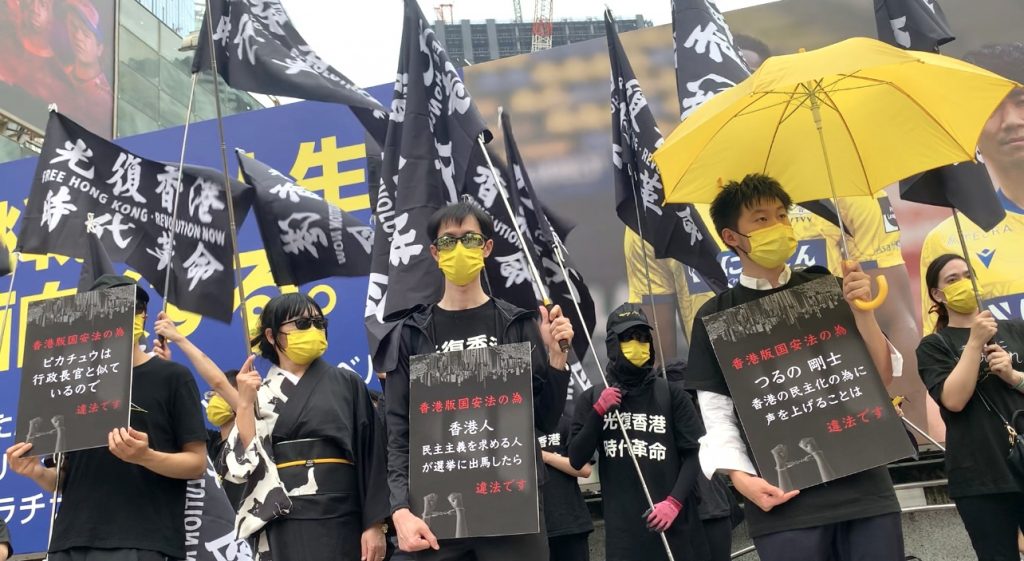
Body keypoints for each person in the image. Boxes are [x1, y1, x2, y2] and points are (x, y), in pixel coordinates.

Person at [686, 174, 905, 561]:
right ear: (731, 236)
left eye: (783, 216)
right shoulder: (715, 316)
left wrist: (862, 313)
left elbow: (882, 378)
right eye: (762, 219)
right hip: (783, 499)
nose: (780, 227)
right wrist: (741, 480)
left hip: (865, 489)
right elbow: (716, 414)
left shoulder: (827, 288)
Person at [385, 201, 573, 560]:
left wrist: (556, 360)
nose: (459, 250)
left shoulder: (517, 325)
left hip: (511, 509)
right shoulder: (412, 334)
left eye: (469, 239)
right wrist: (399, 509)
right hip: (434, 509)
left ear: (486, 248)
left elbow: (544, 422)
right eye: (448, 241)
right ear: (434, 253)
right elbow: (398, 429)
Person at [5, 274, 208, 561]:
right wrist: (35, 471)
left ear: (142, 316)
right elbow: (62, 478)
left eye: (127, 309)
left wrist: (145, 456)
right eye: (103, 310)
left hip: (141, 538)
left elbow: (196, 464)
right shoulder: (71, 384)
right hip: (70, 540)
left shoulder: (171, 377)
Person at [174, 293, 389, 561]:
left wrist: (374, 524)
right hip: (282, 515)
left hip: (342, 515)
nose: (313, 329)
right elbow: (246, 461)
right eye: (301, 324)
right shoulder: (259, 391)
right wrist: (244, 404)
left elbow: (372, 454)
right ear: (272, 335)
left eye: (319, 323)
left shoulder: (348, 382)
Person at [569, 304, 708, 561]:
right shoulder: (592, 398)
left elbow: (694, 454)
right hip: (624, 537)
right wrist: (598, 413)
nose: (638, 345)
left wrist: (673, 503)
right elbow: (577, 459)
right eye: (629, 338)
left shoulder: (671, 394)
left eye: (644, 338)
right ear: (613, 344)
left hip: (674, 528)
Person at [916, 253, 1024, 561]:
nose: (963, 283)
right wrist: (975, 343)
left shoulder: (1017, 330)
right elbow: (953, 399)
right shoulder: (934, 346)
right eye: (952, 280)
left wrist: (1014, 376)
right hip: (980, 476)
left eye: (967, 275)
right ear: (938, 294)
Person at [919, 43, 1024, 334]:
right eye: (991, 108)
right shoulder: (949, 241)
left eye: (1022, 102)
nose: (1012, 121)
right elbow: (945, 366)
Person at [664, 360, 741, 561]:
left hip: (712, 508)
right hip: (679, 510)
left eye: (690, 395)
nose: (686, 400)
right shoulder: (661, 416)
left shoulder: (712, 417)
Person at [539, 413, 593, 561]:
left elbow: (585, 469)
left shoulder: (564, 424)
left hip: (569, 522)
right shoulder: (513, 430)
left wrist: (546, 457)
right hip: (531, 529)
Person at [60, 0, 111, 113]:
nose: (77, 36)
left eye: (86, 33)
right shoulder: (59, 73)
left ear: (100, 48)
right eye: (73, 26)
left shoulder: (105, 100)